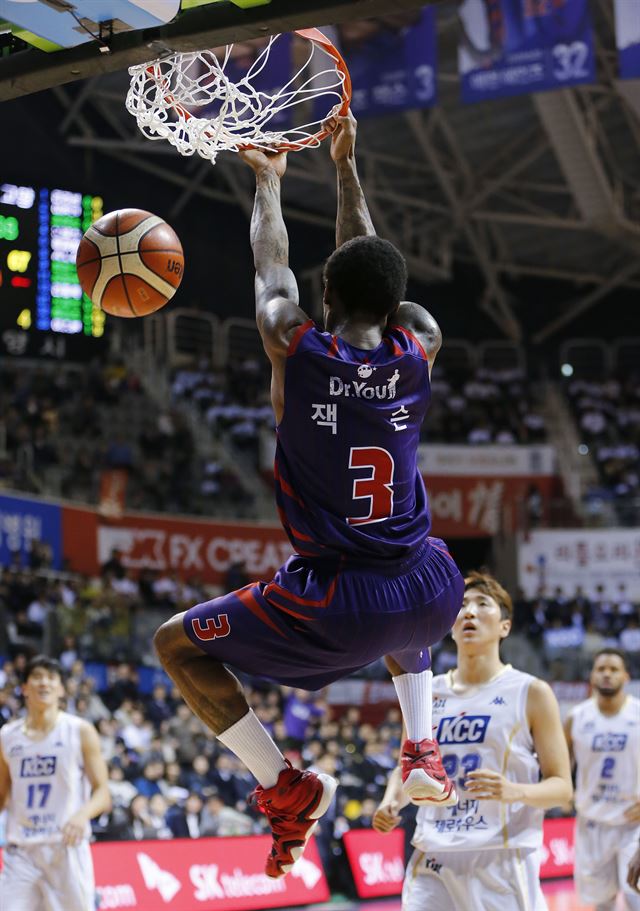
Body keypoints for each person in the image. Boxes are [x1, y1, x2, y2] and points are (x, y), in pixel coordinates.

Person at [154, 110, 464, 878]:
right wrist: (347, 168)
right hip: (433, 591)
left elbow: (273, 263)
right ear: (394, 306)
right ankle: (420, 739)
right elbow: (368, 265)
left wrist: (268, 180)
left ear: (326, 294)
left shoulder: (292, 339)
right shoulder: (419, 343)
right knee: (407, 558)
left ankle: (283, 783)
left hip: (343, 603)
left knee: (174, 645)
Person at [373, 572, 572, 910]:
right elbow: (407, 766)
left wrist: (516, 791)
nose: (469, 612)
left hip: (500, 859)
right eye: (461, 605)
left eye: (483, 604)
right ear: (449, 625)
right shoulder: (425, 689)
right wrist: (391, 801)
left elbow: (563, 789)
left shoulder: (532, 692)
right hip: (433, 853)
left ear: (505, 626)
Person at [0, 655, 112, 911]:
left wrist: (82, 815)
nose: (44, 683)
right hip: (22, 852)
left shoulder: (80, 730)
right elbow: (1, 794)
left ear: (61, 688)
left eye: (51, 678)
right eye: (37, 676)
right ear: (24, 687)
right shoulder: (7, 736)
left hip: (66, 847)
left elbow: (103, 793)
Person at [564, 649, 640, 911]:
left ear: (626, 676)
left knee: (635, 897)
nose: (607, 674)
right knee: (602, 902)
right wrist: (566, 795)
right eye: (601, 669)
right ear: (592, 676)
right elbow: (560, 767)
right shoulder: (577, 716)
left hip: (633, 824)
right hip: (592, 822)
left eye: (613, 669)